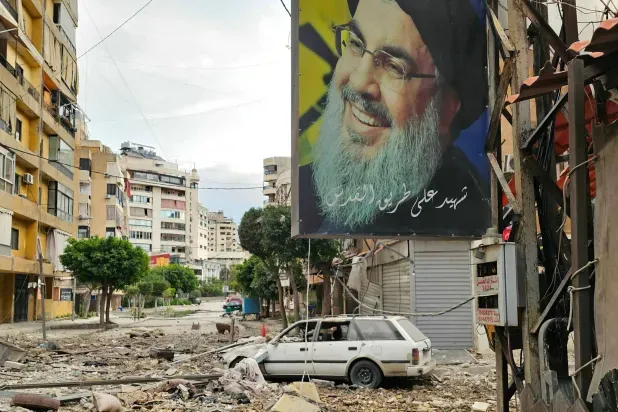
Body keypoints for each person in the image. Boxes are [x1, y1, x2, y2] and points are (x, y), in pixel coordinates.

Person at [298, 0, 490, 237]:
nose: (358, 82)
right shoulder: (305, 189)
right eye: (356, 44)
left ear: (447, 108)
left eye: (394, 67)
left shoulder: (466, 215)